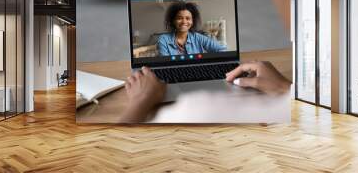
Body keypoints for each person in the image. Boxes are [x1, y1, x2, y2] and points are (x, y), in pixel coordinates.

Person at [119, 61, 291, 123]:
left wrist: (141, 98)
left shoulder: (193, 111)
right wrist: (286, 87)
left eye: (188, 18)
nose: (184, 22)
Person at [157, 1, 227, 56]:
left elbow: (222, 49)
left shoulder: (198, 37)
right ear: (173, 21)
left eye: (188, 18)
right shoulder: (163, 40)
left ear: (192, 21)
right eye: (179, 18)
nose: (184, 22)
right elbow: (166, 63)